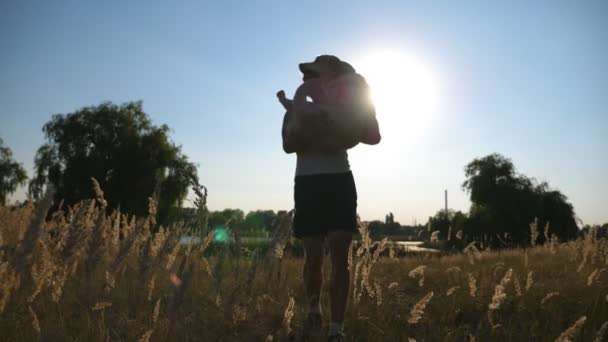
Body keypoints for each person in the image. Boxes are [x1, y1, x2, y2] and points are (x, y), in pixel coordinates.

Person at [278, 55, 381, 342]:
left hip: (339, 182)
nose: (307, 73)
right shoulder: (296, 110)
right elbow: (287, 145)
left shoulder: (348, 108)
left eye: (316, 67)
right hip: (308, 184)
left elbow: (372, 135)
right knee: (313, 258)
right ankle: (314, 308)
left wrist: (362, 107)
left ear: (332, 76)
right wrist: (314, 127)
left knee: (340, 256)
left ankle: (337, 329)